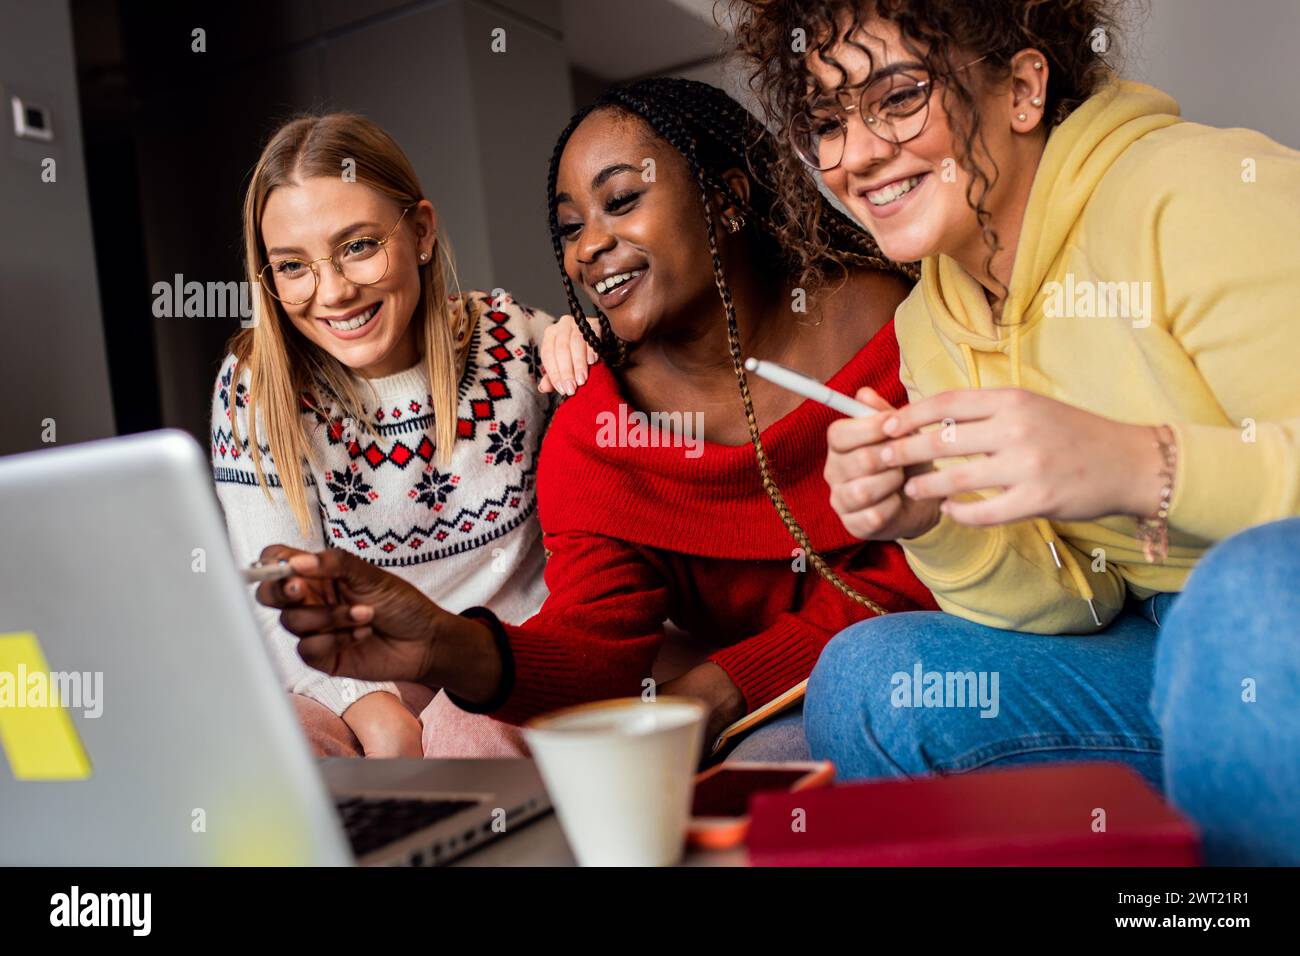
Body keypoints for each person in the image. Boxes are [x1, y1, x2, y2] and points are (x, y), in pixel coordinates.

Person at [730, 0, 1300, 863]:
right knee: (870, 678)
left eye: (897, 96)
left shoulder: (1192, 191)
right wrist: (934, 525)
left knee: (1243, 598)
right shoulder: (930, 321)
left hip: (1262, 629)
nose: (857, 155)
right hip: (1160, 649)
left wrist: (1144, 465)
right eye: (827, 122)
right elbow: (1078, 600)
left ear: (1025, 89)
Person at [253, 78, 936, 758]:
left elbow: (935, 571)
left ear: (725, 196)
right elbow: (595, 643)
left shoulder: (903, 327)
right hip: (737, 704)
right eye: (571, 227)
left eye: (622, 201)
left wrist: (718, 686)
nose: (589, 247)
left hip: (896, 673)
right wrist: (441, 643)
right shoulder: (595, 434)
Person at [213, 113, 552, 758]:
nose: (333, 293)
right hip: (347, 675)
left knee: (466, 740)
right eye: (293, 266)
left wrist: (583, 342)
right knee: (270, 748)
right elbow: (274, 600)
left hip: (494, 661)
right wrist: (370, 709)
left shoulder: (513, 340)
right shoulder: (256, 384)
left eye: (359, 246)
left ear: (421, 231)